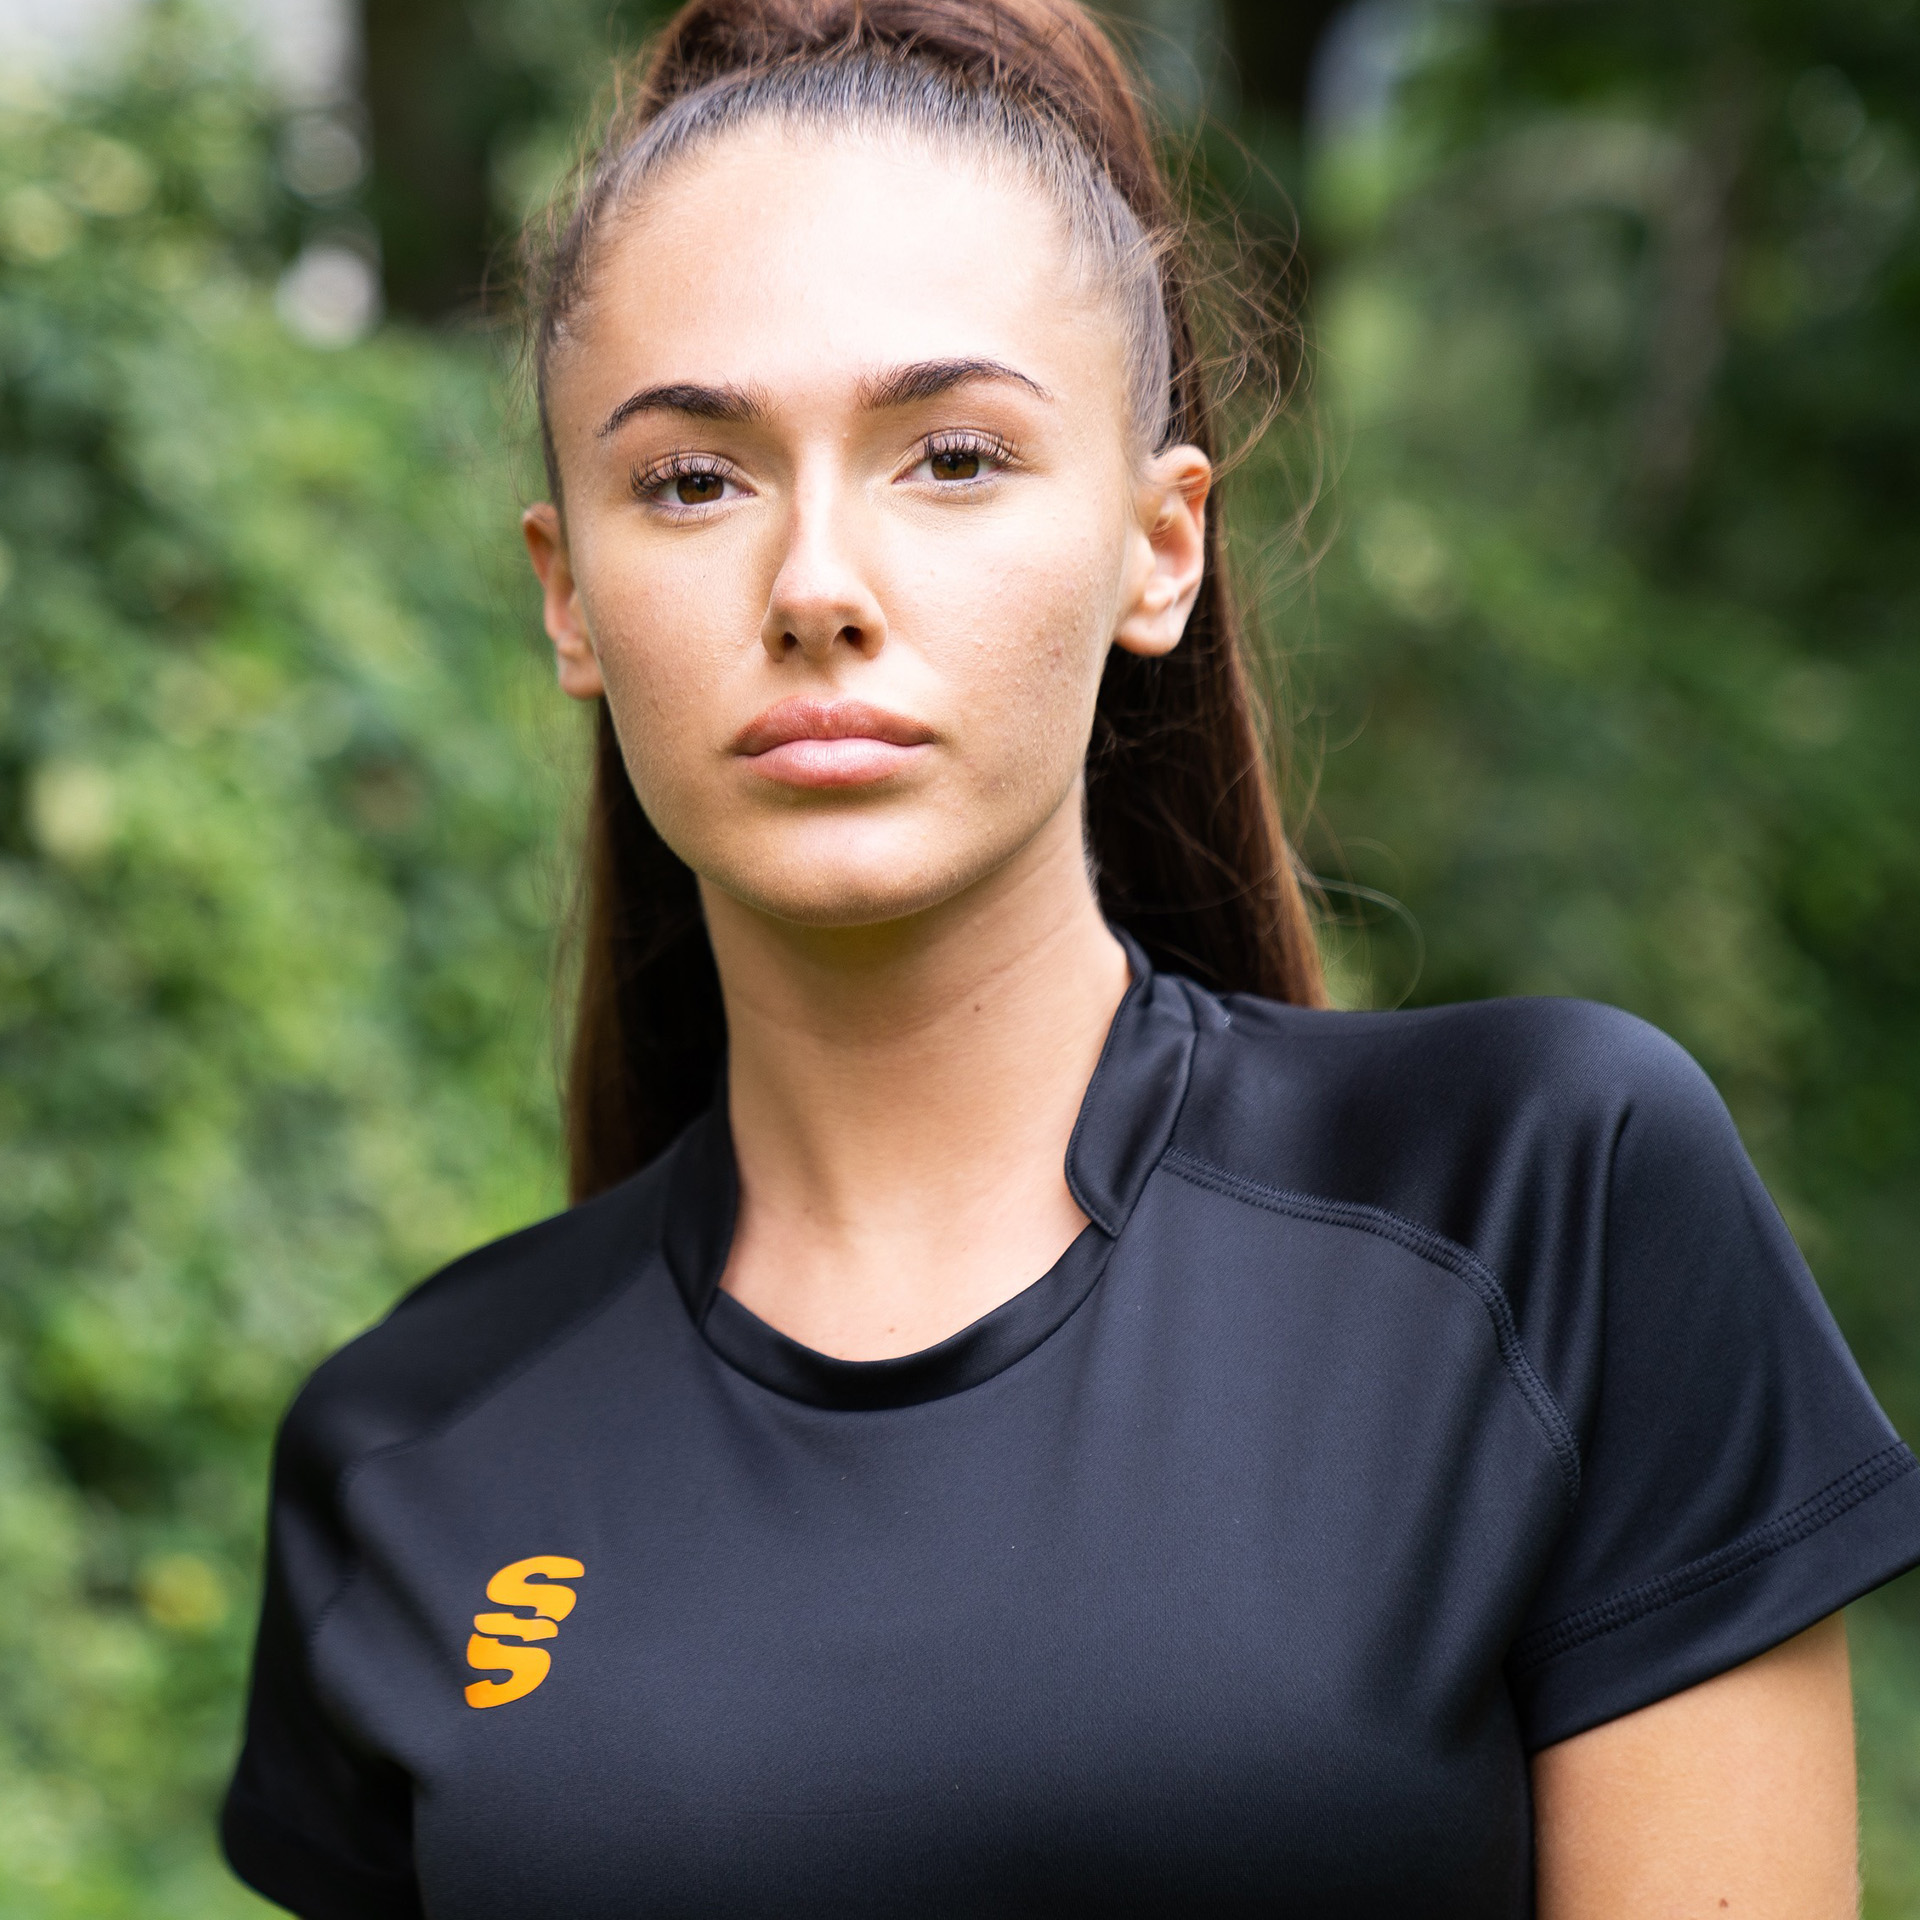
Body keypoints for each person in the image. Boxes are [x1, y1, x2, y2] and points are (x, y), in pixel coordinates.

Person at [220, 2, 1920, 1914]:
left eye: (951, 456)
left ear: (1158, 544)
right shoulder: (407, 1446)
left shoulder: (1539, 1205)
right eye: (694, 479)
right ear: (569, 597)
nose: (816, 587)